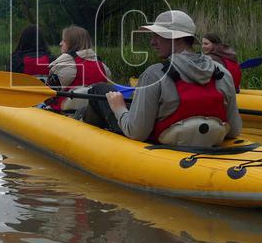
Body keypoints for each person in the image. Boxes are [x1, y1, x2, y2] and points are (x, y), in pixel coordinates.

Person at [85, 10, 242, 147]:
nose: (152, 42)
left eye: (158, 36)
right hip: (209, 143)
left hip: (164, 147)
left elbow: (137, 133)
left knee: (100, 89)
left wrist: (118, 108)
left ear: (175, 38)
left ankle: (83, 131)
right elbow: (234, 130)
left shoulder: (154, 75)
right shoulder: (222, 73)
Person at [46, 25, 110, 112]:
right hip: (96, 113)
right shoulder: (102, 66)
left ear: (73, 43)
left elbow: (48, 95)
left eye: (64, 40)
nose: (60, 43)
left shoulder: (66, 63)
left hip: (67, 114)